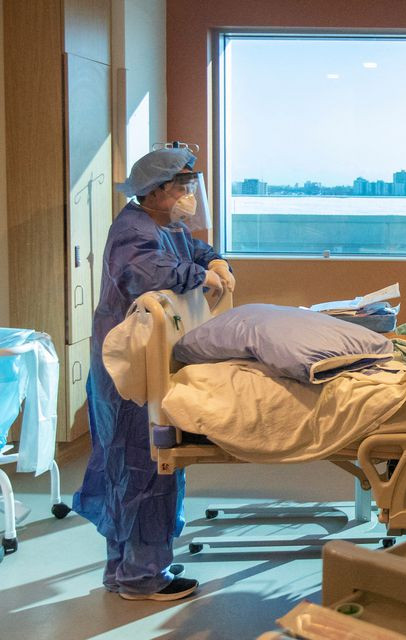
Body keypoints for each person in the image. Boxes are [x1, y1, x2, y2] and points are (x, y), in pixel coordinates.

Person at [72, 147, 235, 601]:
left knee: (132, 465)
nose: (187, 195)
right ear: (158, 190)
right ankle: (142, 578)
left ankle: (125, 568)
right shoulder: (132, 230)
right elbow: (146, 272)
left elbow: (195, 248)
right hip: (130, 369)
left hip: (146, 363)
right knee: (141, 463)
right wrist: (199, 277)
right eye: (181, 187)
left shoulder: (164, 225)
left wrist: (216, 262)